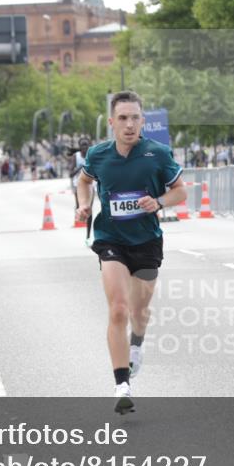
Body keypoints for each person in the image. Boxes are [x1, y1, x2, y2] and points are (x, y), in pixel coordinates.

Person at [75, 90, 187, 414]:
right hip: (110, 239)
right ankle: (121, 384)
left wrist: (159, 202)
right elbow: (84, 182)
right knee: (119, 310)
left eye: (135, 118)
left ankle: (136, 344)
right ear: (111, 122)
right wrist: (83, 204)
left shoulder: (157, 154)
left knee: (139, 313)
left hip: (147, 241)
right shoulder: (98, 155)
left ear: (142, 121)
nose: (129, 124)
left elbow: (180, 192)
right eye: (122, 118)